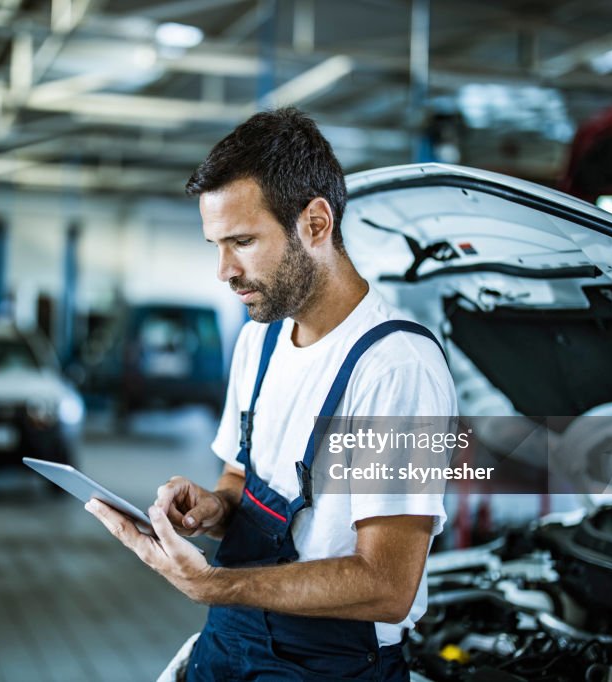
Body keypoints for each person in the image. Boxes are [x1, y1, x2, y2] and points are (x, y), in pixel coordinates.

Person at [86, 107, 456, 681]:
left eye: (241, 242)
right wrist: (214, 506)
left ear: (315, 223)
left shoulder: (394, 368)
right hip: (231, 640)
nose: (223, 271)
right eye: (215, 244)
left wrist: (211, 584)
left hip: (328, 664)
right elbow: (241, 476)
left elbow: (387, 586)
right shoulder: (258, 343)